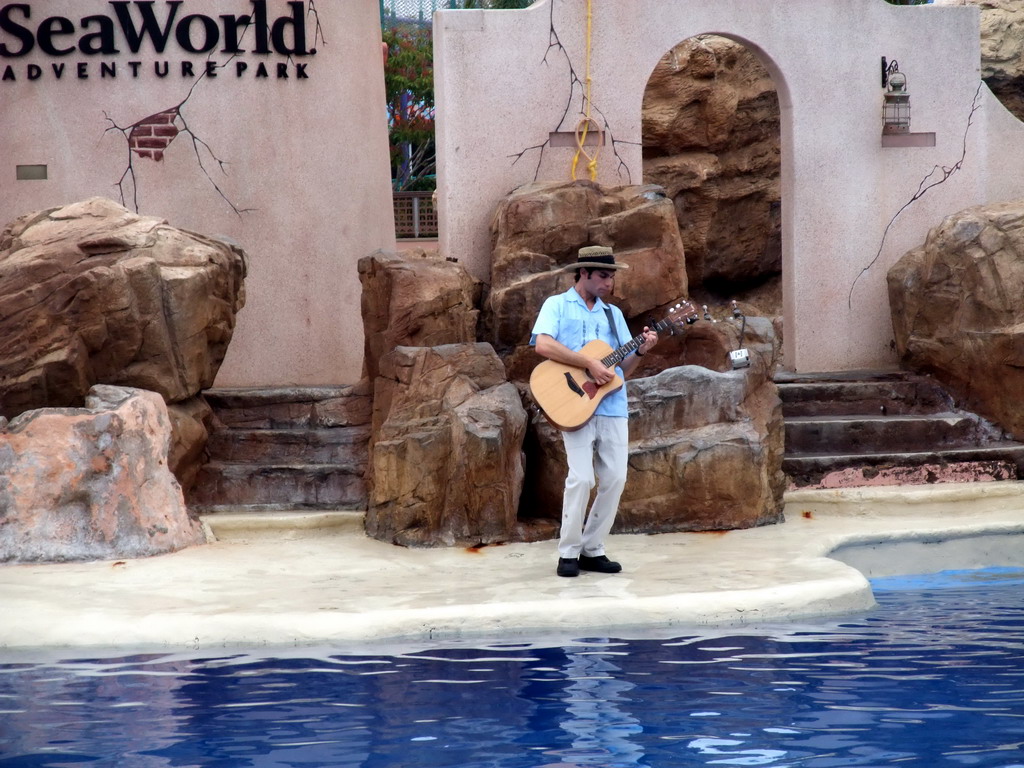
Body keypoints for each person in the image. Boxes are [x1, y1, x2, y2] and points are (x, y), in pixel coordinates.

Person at [530, 245, 659, 577]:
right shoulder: (557, 305)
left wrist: (640, 351)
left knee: (616, 478)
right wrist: (587, 361)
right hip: (573, 403)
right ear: (584, 273)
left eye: (612, 277)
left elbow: (620, 373)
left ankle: (592, 549)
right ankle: (568, 553)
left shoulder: (613, 315)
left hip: (612, 406)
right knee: (582, 478)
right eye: (603, 276)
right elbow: (542, 344)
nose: (609, 283)